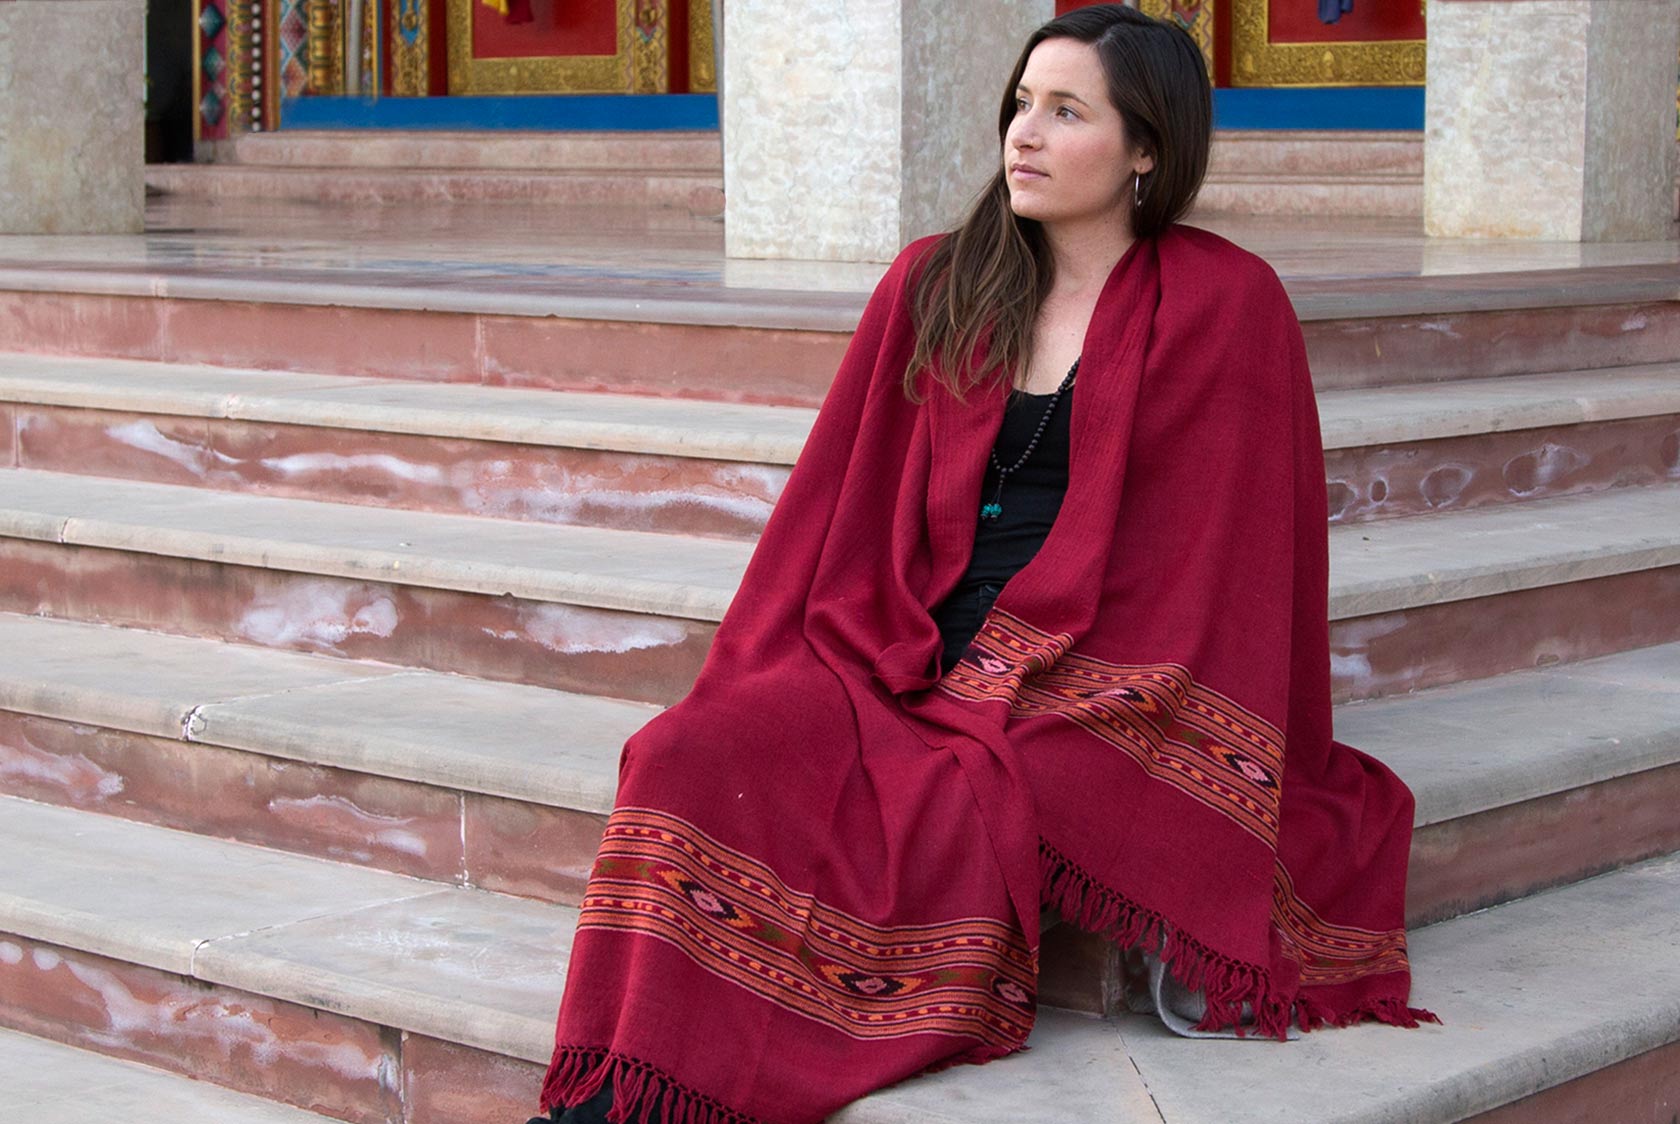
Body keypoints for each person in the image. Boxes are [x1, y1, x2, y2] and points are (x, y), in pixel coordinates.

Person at [528, 7, 1438, 1123]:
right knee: (683, 750)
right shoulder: (939, 281)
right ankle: (624, 1085)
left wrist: (1038, 676)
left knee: (982, 794)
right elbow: (840, 507)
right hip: (895, 637)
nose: (1026, 134)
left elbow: (1229, 568)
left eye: (1067, 112)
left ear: (1147, 148)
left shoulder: (1225, 304)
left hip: (1092, 668)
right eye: (1021, 105)